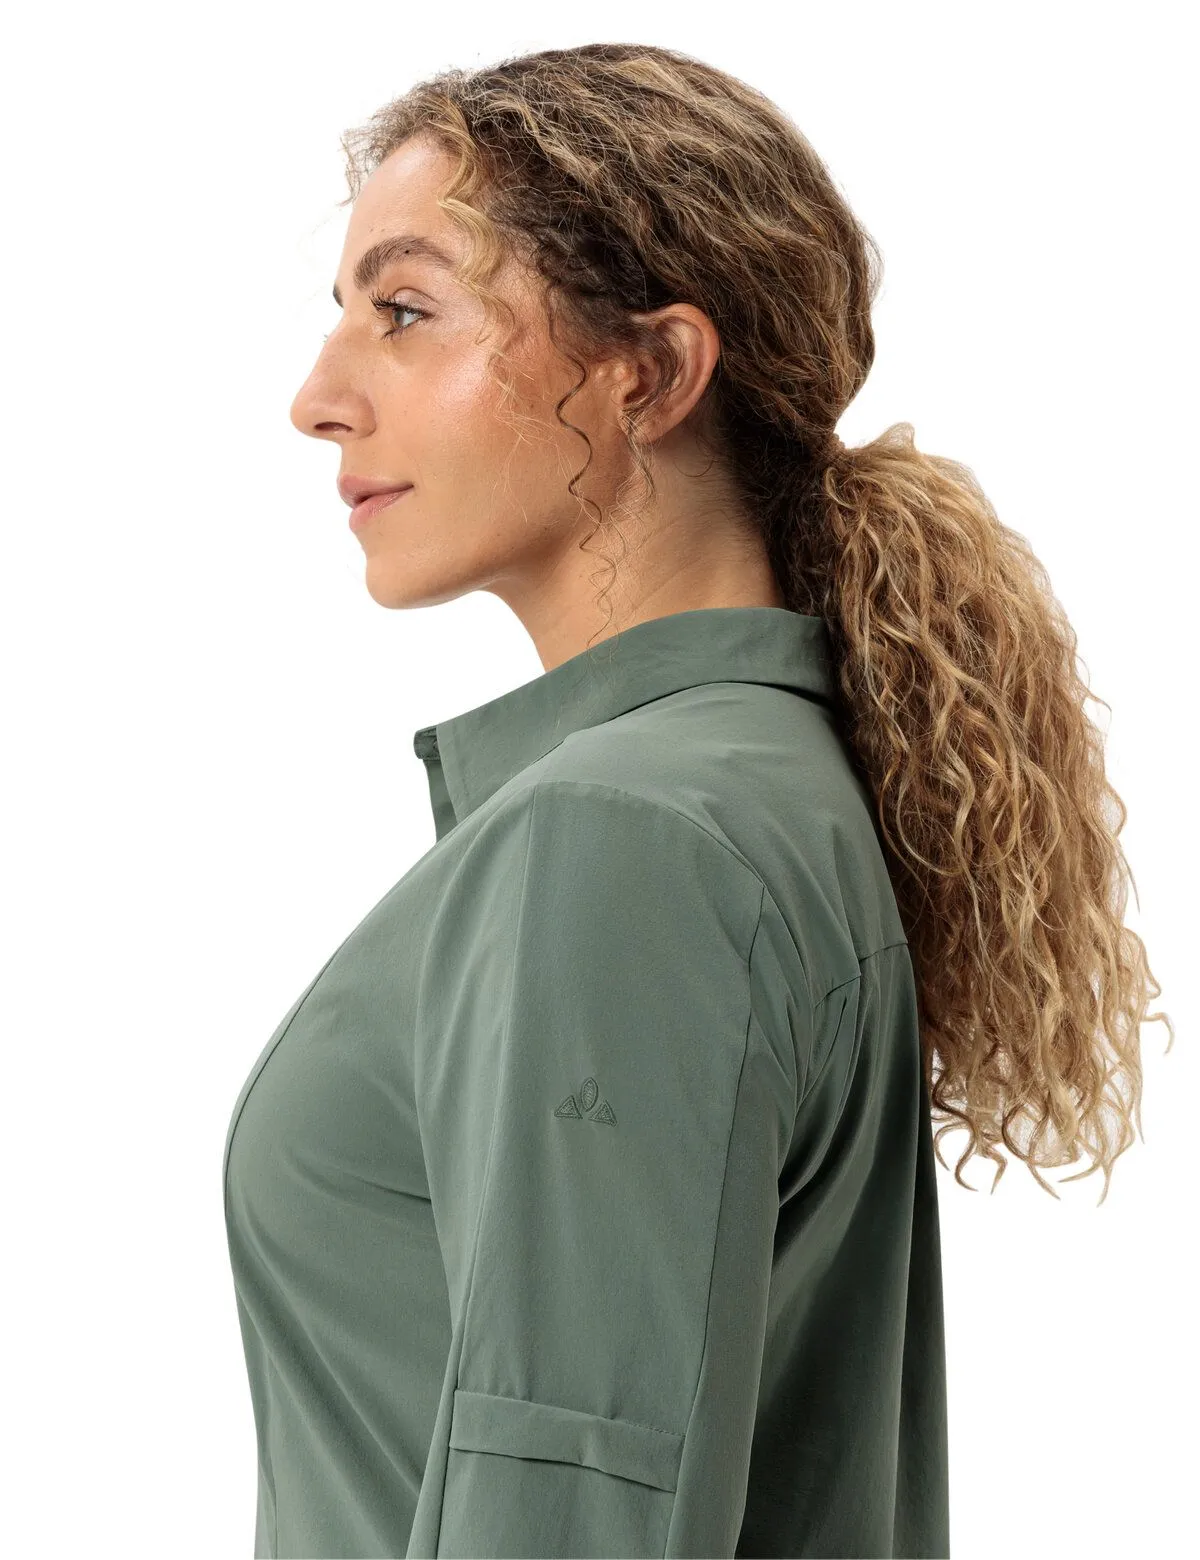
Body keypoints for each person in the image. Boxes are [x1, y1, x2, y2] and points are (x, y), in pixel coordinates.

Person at [222, 41, 1173, 1560]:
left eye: (404, 312)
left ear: (652, 373)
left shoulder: (626, 840)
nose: (318, 399)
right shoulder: (760, 793)